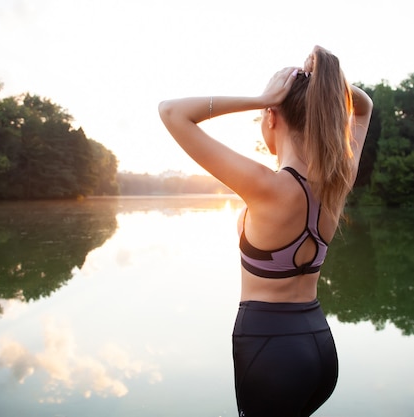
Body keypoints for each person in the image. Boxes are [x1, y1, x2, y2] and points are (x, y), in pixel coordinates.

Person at [158, 45, 373, 417]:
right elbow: (365, 106)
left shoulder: (268, 187)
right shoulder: (338, 182)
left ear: (271, 117)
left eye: (262, 114)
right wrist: (322, 82)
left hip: (272, 354)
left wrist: (262, 97)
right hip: (319, 347)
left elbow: (172, 111)